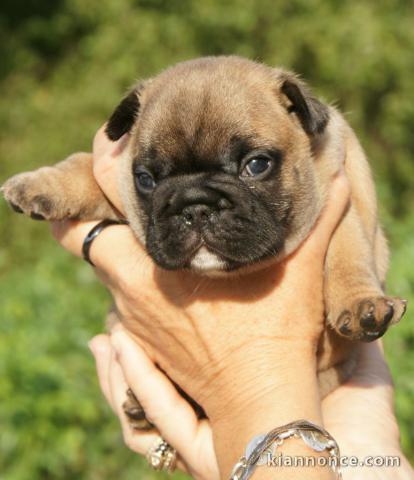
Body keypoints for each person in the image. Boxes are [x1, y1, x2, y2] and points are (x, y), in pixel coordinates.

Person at [52, 127, 413, 480]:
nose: (199, 209)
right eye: (151, 180)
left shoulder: (325, 165)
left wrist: (249, 415)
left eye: (254, 166)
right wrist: (367, 458)